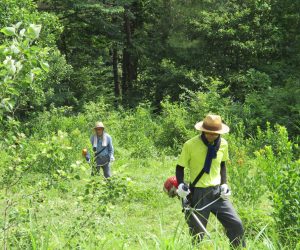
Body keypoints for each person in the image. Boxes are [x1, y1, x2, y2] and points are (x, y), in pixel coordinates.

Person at [176, 114, 245, 248]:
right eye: (208, 133)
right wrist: (180, 184)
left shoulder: (223, 144)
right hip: (198, 193)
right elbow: (180, 167)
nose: (211, 136)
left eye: (214, 134)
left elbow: (222, 164)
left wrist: (224, 184)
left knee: (236, 224)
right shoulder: (190, 145)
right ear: (202, 130)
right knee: (197, 235)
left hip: (217, 193)